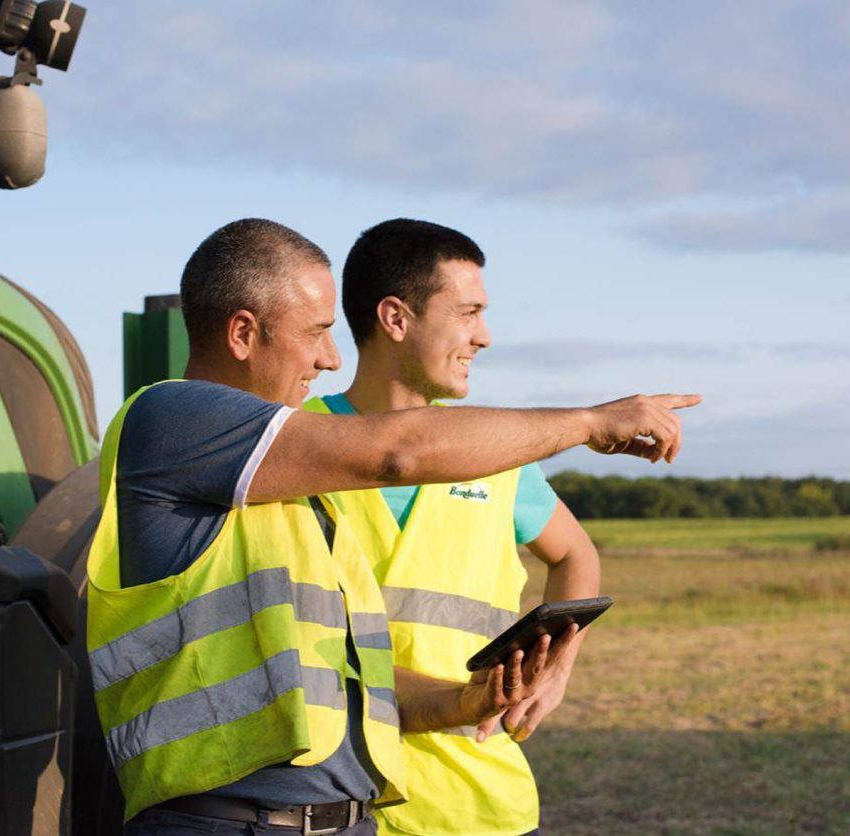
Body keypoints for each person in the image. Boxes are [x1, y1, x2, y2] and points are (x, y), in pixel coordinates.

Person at [86, 218, 700, 834]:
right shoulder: (170, 420)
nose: (331, 357)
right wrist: (591, 421)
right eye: (318, 333)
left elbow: (350, 678)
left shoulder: (294, 498)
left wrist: (464, 701)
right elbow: (397, 453)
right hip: (225, 823)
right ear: (244, 333)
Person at [307, 218, 616, 836]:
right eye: (468, 311)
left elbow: (575, 556)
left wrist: (557, 668)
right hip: (334, 801)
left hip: (474, 804)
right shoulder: (300, 443)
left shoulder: (498, 454)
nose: (485, 336)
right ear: (396, 319)